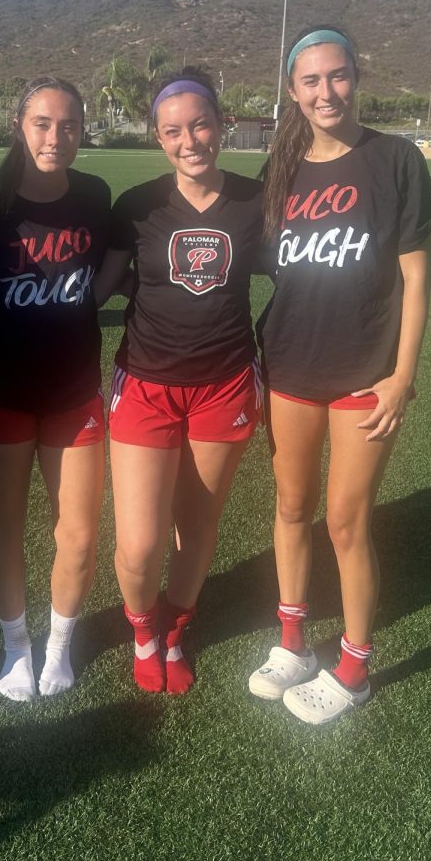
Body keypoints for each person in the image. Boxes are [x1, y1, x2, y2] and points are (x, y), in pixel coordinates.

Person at [249, 27, 431, 725]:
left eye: (338, 77)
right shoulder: (282, 167)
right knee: (292, 508)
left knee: (346, 521)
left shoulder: (395, 159)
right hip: (290, 365)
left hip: (366, 370)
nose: (326, 92)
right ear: (293, 91)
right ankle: (295, 643)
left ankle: (354, 666)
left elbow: (416, 280)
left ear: (357, 77)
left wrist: (402, 375)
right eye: (310, 81)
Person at [97, 71, 264, 694]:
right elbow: (96, 289)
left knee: (196, 529)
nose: (189, 140)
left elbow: (298, 278)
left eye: (200, 125)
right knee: (139, 546)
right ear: (158, 138)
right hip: (145, 385)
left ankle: (173, 629)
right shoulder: (137, 204)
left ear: (220, 125)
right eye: (173, 130)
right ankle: (142, 631)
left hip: (225, 386)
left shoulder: (255, 200)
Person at [0, 76, 109, 700]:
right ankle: (16, 647)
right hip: (0, 391)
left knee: (77, 531)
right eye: (43, 124)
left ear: (82, 128)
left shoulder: (95, 195)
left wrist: (82, 306)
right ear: (20, 127)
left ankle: (58, 646)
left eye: (69, 124)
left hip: (74, 391)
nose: (57, 136)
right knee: (6, 525)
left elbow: (109, 266)